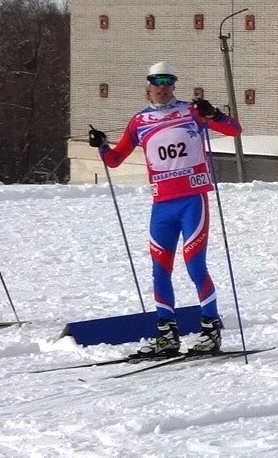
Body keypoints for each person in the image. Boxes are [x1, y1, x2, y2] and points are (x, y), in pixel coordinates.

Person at [88, 64, 242, 357]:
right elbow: (115, 160)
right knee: (160, 270)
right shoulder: (139, 121)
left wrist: (214, 114)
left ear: (174, 86)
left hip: (192, 200)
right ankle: (166, 334)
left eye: (168, 82)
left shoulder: (191, 111)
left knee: (195, 265)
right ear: (148, 86)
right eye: (157, 83)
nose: (162, 87)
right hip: (162, 205)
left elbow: (234, 130)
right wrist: (103, 146)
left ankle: (210, 329)